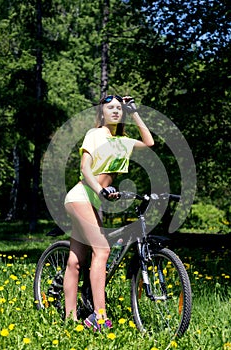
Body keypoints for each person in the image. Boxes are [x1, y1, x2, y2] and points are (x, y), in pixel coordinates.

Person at [63, 94, 154, 330]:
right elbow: (85, 169)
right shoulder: (95, 135)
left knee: (75, 261)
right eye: (110, 108)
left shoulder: (122, 140)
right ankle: (99, 315)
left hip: (93, 200)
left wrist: (134, 111)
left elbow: (149, 143)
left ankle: (69, 319)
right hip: (81, 195)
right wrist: (100, 191)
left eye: (118, 108)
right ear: (101, 113)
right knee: (102, 250)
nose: (115, 111)